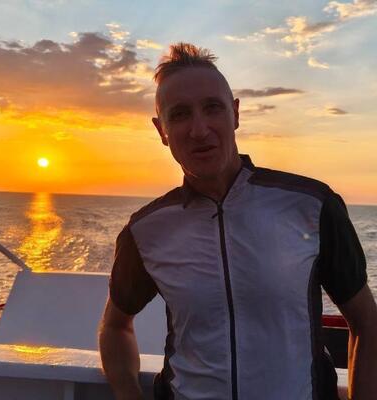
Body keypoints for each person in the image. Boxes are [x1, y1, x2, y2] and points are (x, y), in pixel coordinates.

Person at [99, 43, 377, 400]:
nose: (199, 130)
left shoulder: (311, 205)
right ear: (161, 130)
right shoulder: (146, 230)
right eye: (180, 114)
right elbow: (115, 326)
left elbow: (366, 323)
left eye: (212, 108)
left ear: (235, 114)